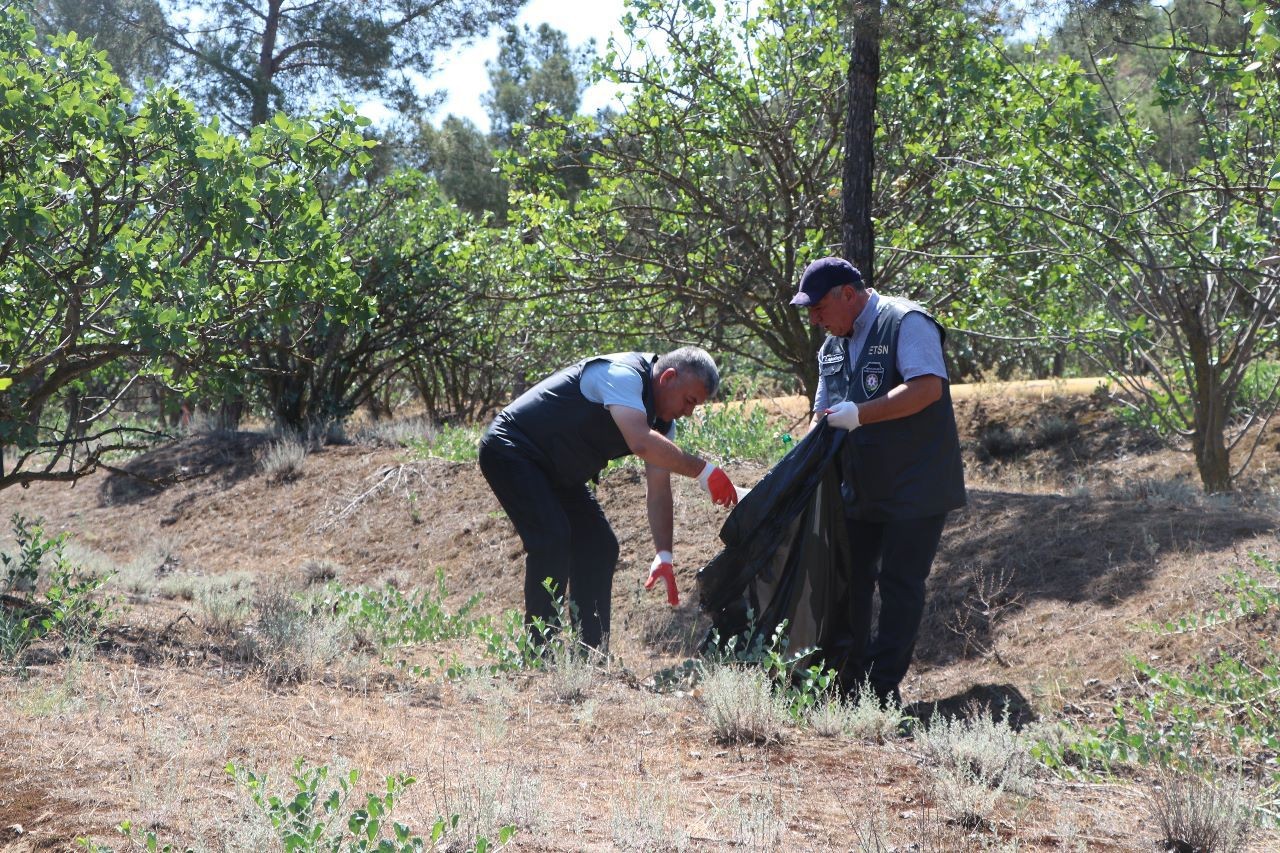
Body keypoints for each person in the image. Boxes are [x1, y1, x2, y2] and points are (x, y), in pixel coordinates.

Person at [478, 347, 739, 651]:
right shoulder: (623, 374)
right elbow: (640, 442)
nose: (688, 412)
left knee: (599, 546)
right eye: (689, 400)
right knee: (551, 538)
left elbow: (658, 489)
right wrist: (704, 471)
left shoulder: (663, 423)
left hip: (559, 472)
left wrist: (664, 555)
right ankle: (540, 652)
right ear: (668, 378)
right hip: (513, 448)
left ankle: (591, 655)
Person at [791, 256, 966, 706]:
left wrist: (861, 414)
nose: (814, 318)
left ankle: (881, 688)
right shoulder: (831, 346)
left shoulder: (906, 322)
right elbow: (822, 417)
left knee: (900, 584)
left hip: (916, 485)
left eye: (818, 307)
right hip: (859, 487)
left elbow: (927, 388)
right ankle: (849, 684)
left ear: (848, 294)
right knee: (849, 581)